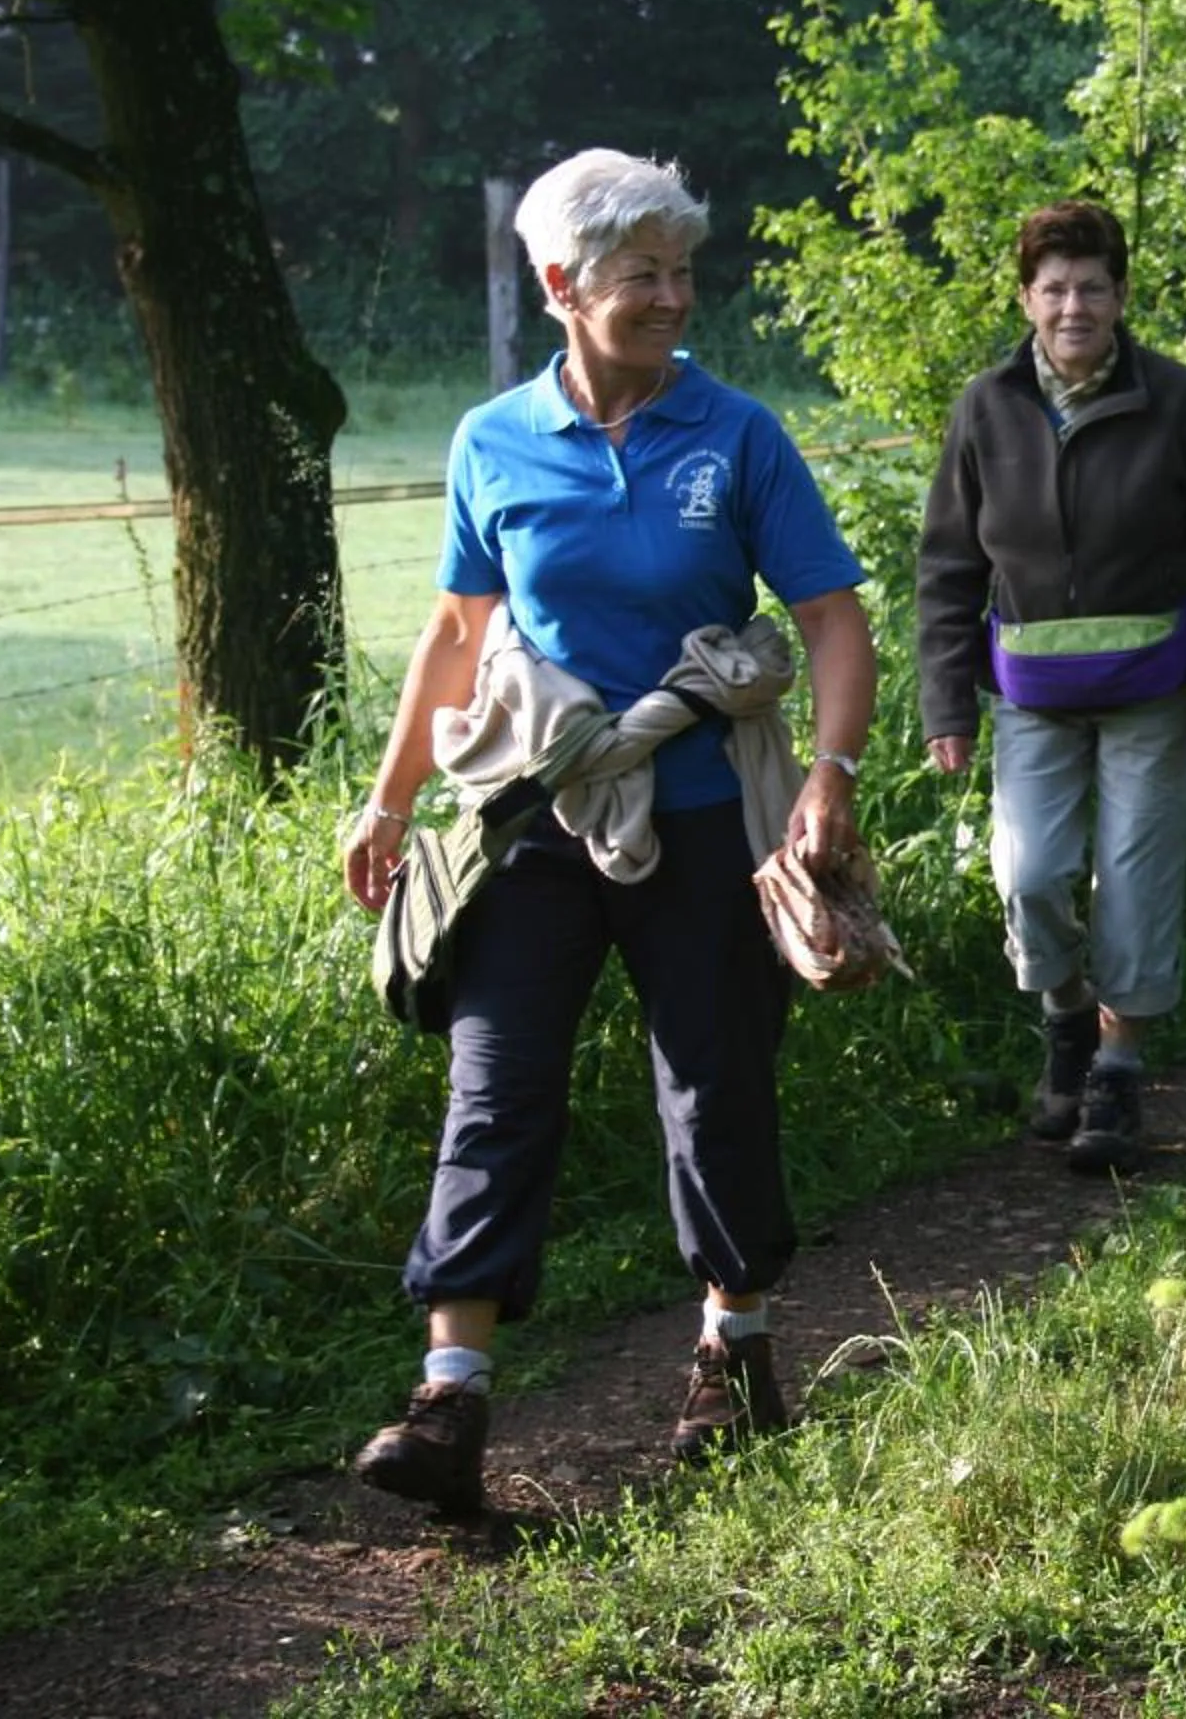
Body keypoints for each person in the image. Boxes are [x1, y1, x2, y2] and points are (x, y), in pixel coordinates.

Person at [342, 148, 876, 1514]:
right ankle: (450, 1400)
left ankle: (736, 1352)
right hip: (535, 813)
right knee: (495, 1087)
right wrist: (389, 799)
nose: (671, 297)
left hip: (704, 815)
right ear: (561, 284)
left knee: (714, 1083)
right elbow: (458, 637)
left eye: (682, 271)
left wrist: (829, 771)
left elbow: (830, 617)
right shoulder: (493, 441)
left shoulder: (738, 433)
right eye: (642, 273)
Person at [917, 199, 1186, 1173]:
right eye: (1055, 287)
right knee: (1027, 874)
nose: (1075, 305)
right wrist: (946, 700)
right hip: (1030, 688)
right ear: (1027, 296)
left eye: (1093, 286)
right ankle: (1067, 1016)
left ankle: (1116, 1066)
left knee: (1135, 877)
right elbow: (947, 562)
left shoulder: (1176, 401)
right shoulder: (986, 408)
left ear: (1120, 296)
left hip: (1158, 683)